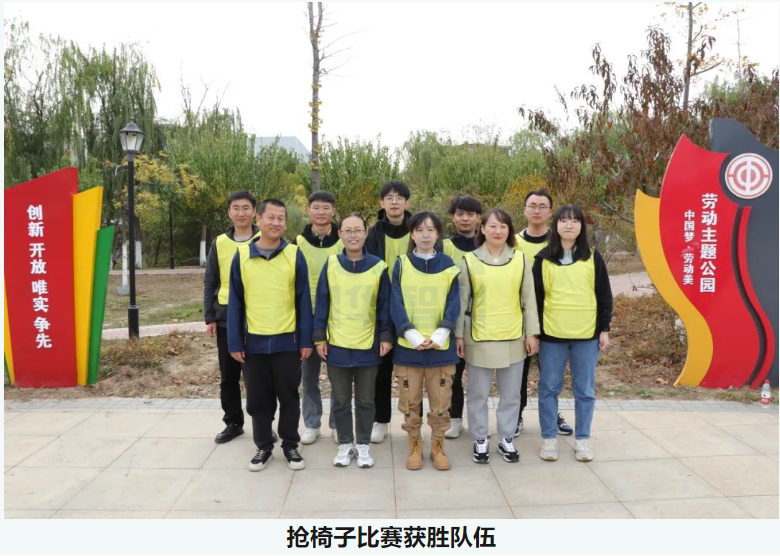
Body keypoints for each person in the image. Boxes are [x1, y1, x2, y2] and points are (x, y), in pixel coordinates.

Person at [227, 198, 313, 471]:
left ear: (285, 223)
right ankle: (263, 446)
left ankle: (290, 445)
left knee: (289, 397)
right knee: (258, 399)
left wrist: (306, 339)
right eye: (271, 217)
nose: (276, 223)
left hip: (288, 342)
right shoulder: (242, 256)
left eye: (281, 218)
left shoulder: (294, 254)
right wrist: (234, 342)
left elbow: (303, 299)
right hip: (253, 343)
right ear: (259, 220)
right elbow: (235, 302)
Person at [456, 209, 540, 464]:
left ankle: (506, 437)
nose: (497, 231)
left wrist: (532, 333)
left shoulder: (520, 260)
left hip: (513, 336)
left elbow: (529, 299)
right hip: (478, 337)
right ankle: (480, 438)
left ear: (509, 231)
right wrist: (459, 335)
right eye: (492, 226)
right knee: (478, 394)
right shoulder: (469, 260)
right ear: (482, 229)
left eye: (503, 226)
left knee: (512, 394)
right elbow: (461, 302)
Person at [312, 212, 393, 468]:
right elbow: (322, 303)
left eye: (358, 230)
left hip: (369, 345)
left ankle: (364, 443)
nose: (353, 235)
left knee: (366, 400)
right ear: (340, 235)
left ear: (366, 233)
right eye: (347, 230)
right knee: (340, 399)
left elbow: (384, 306)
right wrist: (319, 337)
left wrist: (386, 336)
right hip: (337, 343)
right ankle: (346, 443)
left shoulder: (379, 266)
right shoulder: (331, 264)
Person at [534, 204, 612, 463]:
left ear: (581, 226)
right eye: (564, 220)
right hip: (551, 335)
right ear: (555, 225)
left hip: (586, 335)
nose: (569, 225)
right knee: (548, 388)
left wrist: (604, 329)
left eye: (575, 221)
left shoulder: (593, 257)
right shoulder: (543, 258)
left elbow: (604, 295)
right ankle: (549, 438)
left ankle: (583, 439)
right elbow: (534, 299)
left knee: (585, 390)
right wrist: (533, 333)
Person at [391, 211, 460, 471]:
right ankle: (415, 446)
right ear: (412, 234)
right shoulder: (401, 264)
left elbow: (454, 302)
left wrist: (441, 333)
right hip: (409, 347)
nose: (425, 235)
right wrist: (411, 334)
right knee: (410, 402)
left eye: (430, 230)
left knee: (441, 402)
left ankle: (438, 447)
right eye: (420, 230)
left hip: (440, 347)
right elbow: (395, 301)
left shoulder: (449, 265)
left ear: (438, 234)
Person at [203, 190, 263, 444]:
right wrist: (210, 317)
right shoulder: (219, 243)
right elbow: (210, 280)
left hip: (259, 316)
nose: (241, 213)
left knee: (257, 376)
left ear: (254, 212)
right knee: (229, 375)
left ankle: (262, 423)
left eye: (246, 208)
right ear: (229, 212)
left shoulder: (264, 239)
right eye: (236, 208)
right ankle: (233, 422)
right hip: (227, 316)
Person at [513, 190, 573, 437]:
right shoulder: (513, 241)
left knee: (551, 373)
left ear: (550, 212)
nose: (537, 210)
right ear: (525, 210)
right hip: (518, 316)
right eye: (532, 205)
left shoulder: (560, 241)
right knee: (519, 371)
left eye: (542, 206)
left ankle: (552, 414)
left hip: (551, 316)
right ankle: (516, 416)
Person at [293, 190, 342, 445]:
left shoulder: (343, 241)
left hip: (337, 318)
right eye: (316, 207)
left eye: (326, 207)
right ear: (308, 210)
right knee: (308, 376)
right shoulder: (297, 243)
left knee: (338, 378)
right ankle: (312, 424)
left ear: (334, 211)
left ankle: (337, 424)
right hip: (306, 317)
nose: (321, 212)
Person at [365, 180, 413, 443]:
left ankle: (412, 420)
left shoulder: (418, 230)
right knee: (381, 371)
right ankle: (380, 420)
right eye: (389, 198)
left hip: (412, 309)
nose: (394, 202)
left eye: (399, 197)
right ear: (381, 203)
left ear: (407, 202)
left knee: (411, 372)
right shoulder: (372, 234)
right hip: (381, 310)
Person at [441, 194, 483, 439]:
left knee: (479, 377)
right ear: (452, 217)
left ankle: (479, 422)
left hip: (482, 321)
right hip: (451, 320)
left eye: (470, 214)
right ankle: (455, 419)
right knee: (452, 375)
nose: (465, 218)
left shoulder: (488, 245)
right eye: (460, 214)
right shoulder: (444, 246)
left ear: (479, 217)